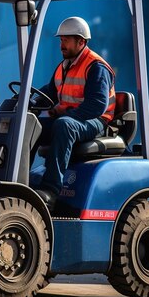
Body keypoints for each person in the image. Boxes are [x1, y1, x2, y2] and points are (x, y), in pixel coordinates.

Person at [34, 16, 116, 208]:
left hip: (96, 121)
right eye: (61, 40)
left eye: (66, 40)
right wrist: (25, 102)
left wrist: (66, 115)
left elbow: (97, 105)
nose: (61, 44)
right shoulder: (64, 66)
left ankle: (50, 191)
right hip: (75, 120)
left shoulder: (96, 67)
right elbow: (48, 93)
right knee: (30, 124)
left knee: (63, 125)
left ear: (81, 42)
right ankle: (17, 182)